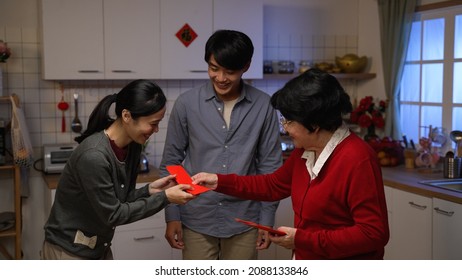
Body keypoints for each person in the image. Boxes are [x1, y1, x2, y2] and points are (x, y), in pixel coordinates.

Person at [192, 69, 390, 260]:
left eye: (289, 121)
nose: (285, 128)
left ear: (314, 123)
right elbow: (273, 185)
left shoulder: (358, 158)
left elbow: (373, 234)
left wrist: (302, 239)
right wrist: (218, 181)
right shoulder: (305, 150)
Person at [159, 30, 282, 260]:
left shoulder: (263, 105)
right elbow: (171, 163)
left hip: (244, 220)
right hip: (196, 217)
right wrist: (172, 215)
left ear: (246, 66)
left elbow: (270, 168)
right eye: (214, 68)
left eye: (230, 71)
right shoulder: (187, 104)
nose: (221, 78)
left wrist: (266, 220)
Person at [42, 79, 196, 260]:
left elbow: (121, 200)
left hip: (98, 248)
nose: (155, 130)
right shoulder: (94, 156)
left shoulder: (133, 146)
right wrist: (166, 197)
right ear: (126, 116)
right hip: (68, 252)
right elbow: (114, 214)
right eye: (153, 123)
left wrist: (151, 190)